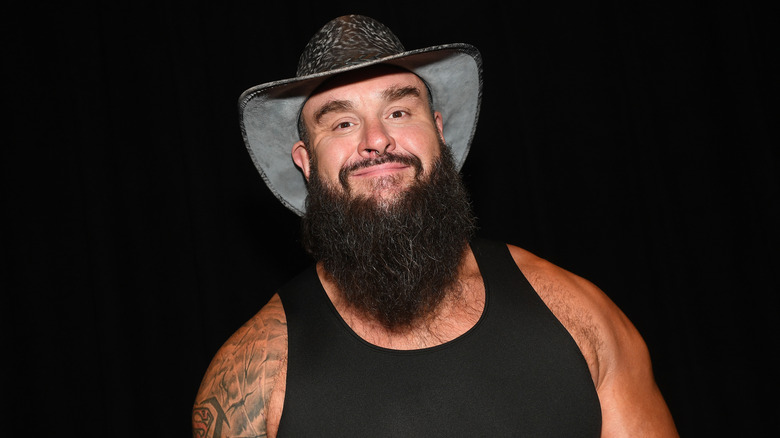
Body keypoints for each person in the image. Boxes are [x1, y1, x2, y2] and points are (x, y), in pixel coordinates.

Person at [192, 14, 678, 437]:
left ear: (439, 133)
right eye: (341, 123)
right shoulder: (251, 380)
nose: (376, 140)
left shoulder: (580, 315)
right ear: (306, 162)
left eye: (399, 111)